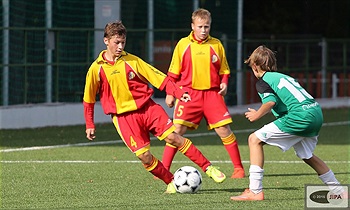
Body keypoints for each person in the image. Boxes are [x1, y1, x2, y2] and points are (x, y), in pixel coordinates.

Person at [83, 21, 226, 194]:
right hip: (123, 119)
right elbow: (88, 99)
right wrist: (90, 124)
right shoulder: (96, 69)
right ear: (106, 41)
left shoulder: (133, 61)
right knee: (144, 157)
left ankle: (208, 168)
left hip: (147, 109)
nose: (120, 46)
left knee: (174, 138)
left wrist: (179, 93)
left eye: (123, 42)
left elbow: (160, 78)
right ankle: (172, 181)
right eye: (116, 42)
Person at [230, 45, 345, 201]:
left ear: (255, 66)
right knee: (307, 155)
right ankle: (338, 190)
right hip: (316, 112)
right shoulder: (283, 77)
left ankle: (255, 191)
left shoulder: (263, 81)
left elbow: (270, 102)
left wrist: (257, 114)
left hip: (300, 116)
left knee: (254, 139)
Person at [159, 8, 245, 179]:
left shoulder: (217, 45)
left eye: (206, 26)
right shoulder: (183, 45)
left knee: (224, 129)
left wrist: (224, 83)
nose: (203, 30)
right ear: (192, 26)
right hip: (188, 94)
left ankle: (238, 169)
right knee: (176, 130)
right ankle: (163, 169)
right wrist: (170, 93)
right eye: (200, 26)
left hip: (212, 95)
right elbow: (173, 73)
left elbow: (224, 70)